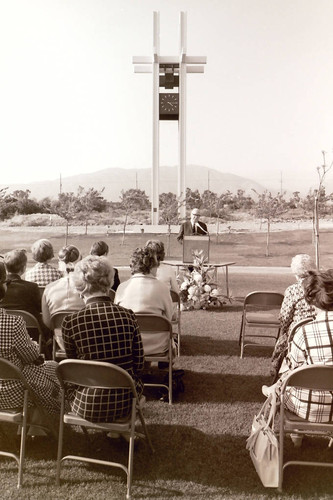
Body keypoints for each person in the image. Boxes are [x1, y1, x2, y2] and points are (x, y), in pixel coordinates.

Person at [61, 255, 144, 423]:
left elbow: (73, 369)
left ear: (80, 286)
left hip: (85, 403)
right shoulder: (128, 316)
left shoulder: (70, 322)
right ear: (109, 281)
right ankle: (119, 434)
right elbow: (139, 363)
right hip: (125, 401)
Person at [263, 269, 333, 424]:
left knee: (287, 380)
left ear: (311, 299)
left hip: (307, 408)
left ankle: (297, 436)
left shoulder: (304, 332)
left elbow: (290, 370)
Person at [0, 261, 61, 416]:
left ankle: (38, 423)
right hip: (10, 394)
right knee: (52, 367)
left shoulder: (12, 321)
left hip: (11, 384)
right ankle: (43, 420)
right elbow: (31, 357)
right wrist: (33, 345)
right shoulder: (12, 322)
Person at [270, 254, 316, 381]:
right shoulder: (322, 288)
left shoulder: (293, 290)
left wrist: (284, 332)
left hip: (298, 332)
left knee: (281, 346)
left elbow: (285, 317)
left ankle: (280, 378)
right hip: (320, 327)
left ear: (295, 272)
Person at [1, 249, 52, 351]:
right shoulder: (31, 287)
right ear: (24, 268)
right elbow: (40, 309)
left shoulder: (3, 288)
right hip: (29, 332)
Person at [114, 247, 173, 321]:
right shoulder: (163, 288)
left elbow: (117, 316)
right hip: (156, 331)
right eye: (156, 263)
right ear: (152, 266)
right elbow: (169, 317)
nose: (158, 266)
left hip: (129, 331)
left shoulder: (122, 288)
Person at [42, 245, 84, 329]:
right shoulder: (87, 288)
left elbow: (47, 323)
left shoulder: (49, 289)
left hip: (59, 337)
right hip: (83, 335)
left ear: (60, 263)